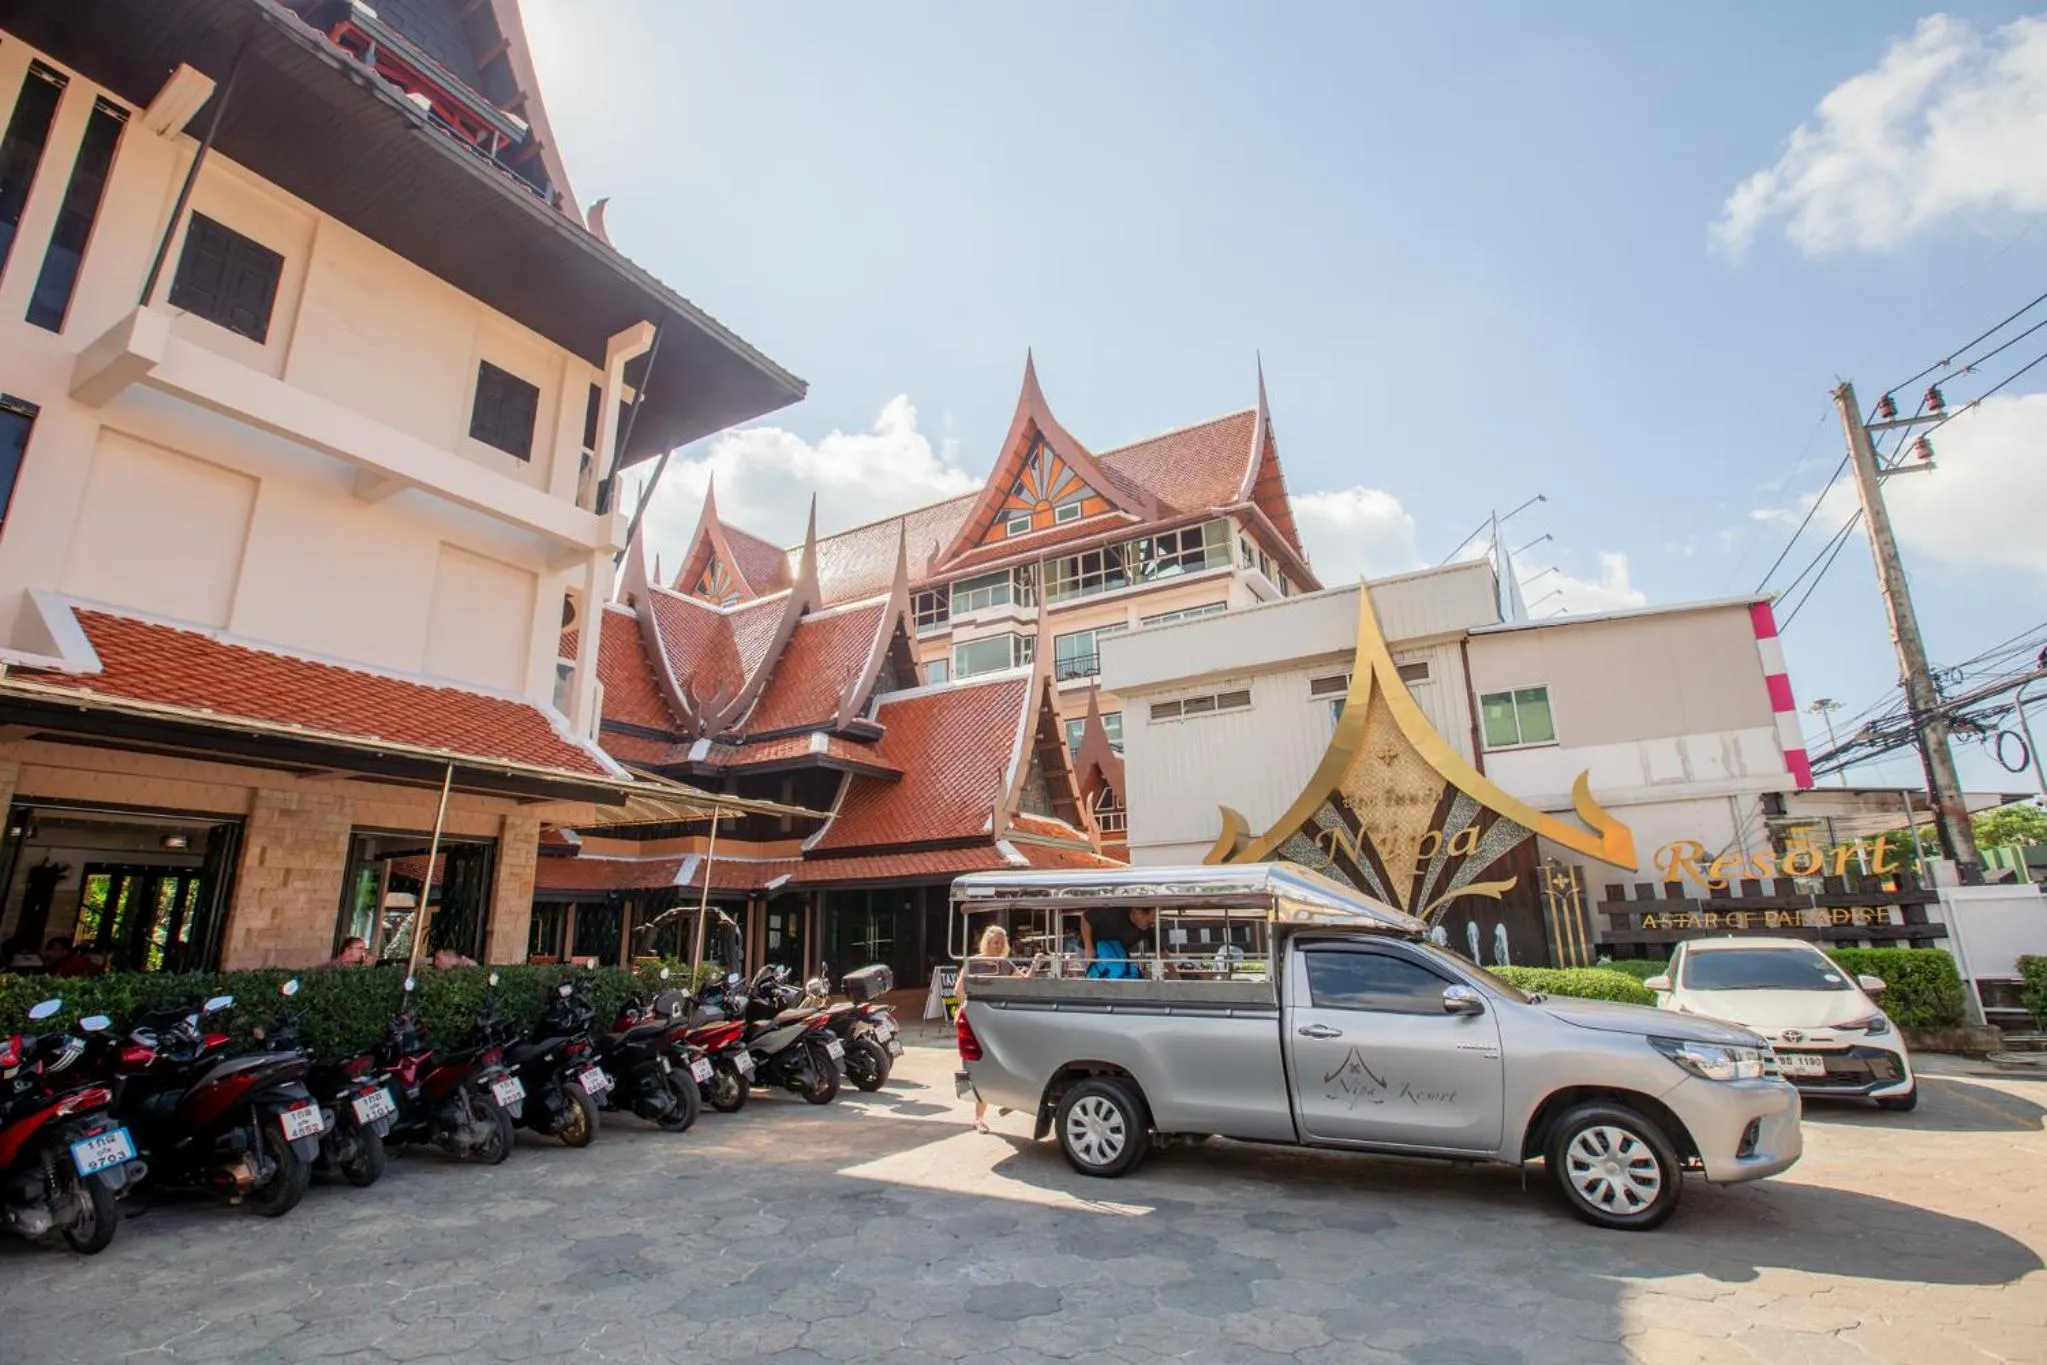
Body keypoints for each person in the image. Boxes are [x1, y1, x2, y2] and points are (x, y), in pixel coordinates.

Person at [961, 924, 1029, 1133]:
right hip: (981, 1020)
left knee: (1013, 1060)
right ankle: (978, 1118)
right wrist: (966, 1009)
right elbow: (958, 991)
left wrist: (1035, 966)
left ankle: (1010, 1100)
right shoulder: (974, 963)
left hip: (1002, 1020)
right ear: (987, 942)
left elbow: (1024, 981)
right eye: (995, 942)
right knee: (984, 1066)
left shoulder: (1005, 964)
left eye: (1001, 942)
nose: (998, 946)